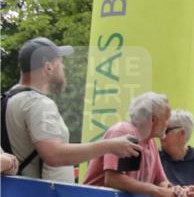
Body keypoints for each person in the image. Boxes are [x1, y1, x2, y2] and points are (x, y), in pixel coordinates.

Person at [3, 37, 140, 181]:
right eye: (60, 63)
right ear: (48, 67)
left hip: (18, 194)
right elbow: (54, 154)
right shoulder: (38, 103)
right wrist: (110, 146)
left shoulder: (9, 99)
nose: (64, 68)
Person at [82, 92, 191, 197]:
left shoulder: (151, 142)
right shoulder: (123, 132)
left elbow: (161, 181)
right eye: (167, 118)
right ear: (153, 120)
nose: (168, 124)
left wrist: (174, 190)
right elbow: (113, 179)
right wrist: (158, 191)